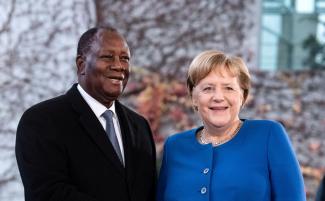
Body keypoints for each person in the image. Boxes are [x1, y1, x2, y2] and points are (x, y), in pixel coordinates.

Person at [15, 26, 156, 201]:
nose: (119, 66)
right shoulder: (42, 121)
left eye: (125, 58)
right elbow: (48, 193)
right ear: (81, 65)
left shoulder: (140, 127)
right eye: (107, 57)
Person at [157, 50, 306, 201]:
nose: (218, 97)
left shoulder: (268, 135)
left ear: (243, 96)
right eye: (208, 88)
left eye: (228, 88)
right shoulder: (174, 146)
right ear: (193, 97)